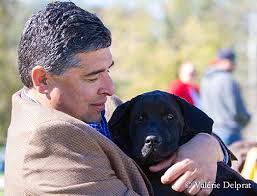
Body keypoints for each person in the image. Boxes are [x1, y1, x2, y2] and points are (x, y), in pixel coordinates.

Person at [5, 2, 232, 195]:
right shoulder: (48, 143)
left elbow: (205, 144)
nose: (110, 88)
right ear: (43, 79)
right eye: (93, 77)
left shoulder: (105, 107)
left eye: (108, 71)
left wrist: (208, 146)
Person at [201, 48, 251, 146]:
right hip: (229, 132)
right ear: (226, 61)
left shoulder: (205, 80)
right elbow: (237, 110)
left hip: (210, 132)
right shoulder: (228, 79)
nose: (234, 65)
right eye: (232, 61)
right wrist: (247, 118)